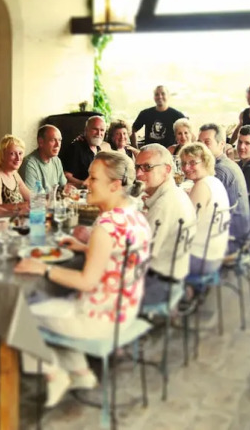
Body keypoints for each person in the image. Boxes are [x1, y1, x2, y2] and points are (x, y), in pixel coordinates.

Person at [15, 151, 151, 407]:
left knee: (16, 312)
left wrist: (42, 269)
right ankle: (81, 373)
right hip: (126, 309)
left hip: (99, 319)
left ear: (115, 185)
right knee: (49, 299)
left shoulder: (106, 226)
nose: (86, 183)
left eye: (93, 178)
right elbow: (118, 256)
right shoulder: (135, 215)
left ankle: (54, 373)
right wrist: (85, 248)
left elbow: (87, 282)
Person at [135, 144, 195, 305]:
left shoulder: (164, 204)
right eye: (137, 167)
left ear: (167, 169)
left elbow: (139, 256)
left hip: (160, 286)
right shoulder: (176, 193)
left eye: (147, 167)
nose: (138, 173)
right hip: (175, 278)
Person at [197, 123, 250, 253]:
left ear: (221, 144)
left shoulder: (219, 170)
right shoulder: (225, 163)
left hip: (232, 238)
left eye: (207, 142)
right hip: (237, 229)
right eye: (199, 142)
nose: (201, 147)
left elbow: (202, 208)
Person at [179, 143, 230, 275]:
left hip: (201, 260)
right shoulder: (214, 181)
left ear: (206, 162)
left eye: (192, 162)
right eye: (183, 163)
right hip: (215, 254)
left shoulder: (201, 186)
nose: (186, 168)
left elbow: (185, 227)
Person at [20, 124, 69, 193]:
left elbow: (64, 187)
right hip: (38, 200)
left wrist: (71, 190)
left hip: (54, 199)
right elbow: (31, 197)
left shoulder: (56, 160)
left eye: (59, 140)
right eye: (53, 140)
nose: (58, 145)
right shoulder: (29, 164)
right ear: (41, 142)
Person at [61, 115, 106, 188]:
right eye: (95, 129)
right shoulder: (75, 148)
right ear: (86, 130)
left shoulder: (99, 150)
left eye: (102, 130)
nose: (99, 133)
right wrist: (87, 184)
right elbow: (66, 177)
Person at [0, 134, 31, 209]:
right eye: (12, 153)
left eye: (20, 153)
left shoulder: (14, 173)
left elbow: (31, 198)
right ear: (3, 155)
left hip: (19, 215)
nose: (18, 158)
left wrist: (48, 199)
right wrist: (21, 206)